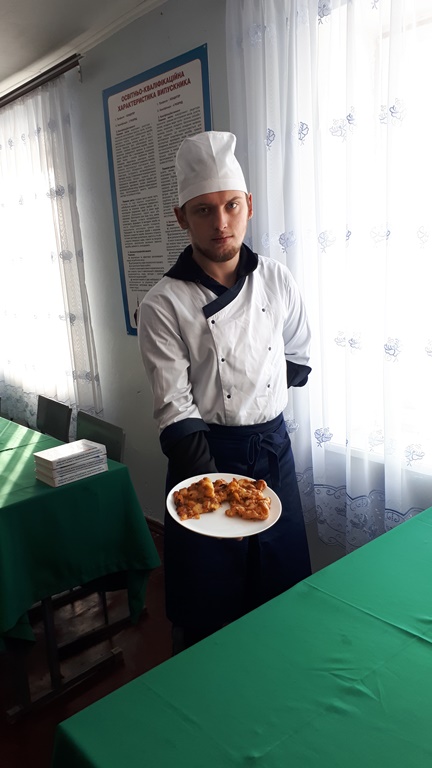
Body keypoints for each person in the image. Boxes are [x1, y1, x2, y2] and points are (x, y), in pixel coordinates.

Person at [137, 130, 312, 653]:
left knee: (282, 583)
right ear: (181, 217)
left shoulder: (277, 279)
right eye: (203, 210)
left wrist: (262, 394)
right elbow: (175, 406)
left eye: (231, 205)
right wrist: (212, 491)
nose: (221, 223)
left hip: (272, 450)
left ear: (249, 206)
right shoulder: (162, 303)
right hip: (205, 455)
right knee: (211, 599)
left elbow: (297, 351)